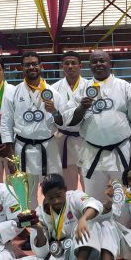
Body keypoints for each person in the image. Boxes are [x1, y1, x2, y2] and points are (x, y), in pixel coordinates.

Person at [0, 174, 105, 260]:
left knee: (91, 223)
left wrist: (83, 218)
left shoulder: (74, 197)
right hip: (54, 258)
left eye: (59, 195)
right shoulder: (39, 213)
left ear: (65, 190)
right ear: (44, 197)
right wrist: (38, 229)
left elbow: (96, 204)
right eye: (50, 198)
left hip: (77, 254)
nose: (55, 201)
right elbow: (41, 253)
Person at [64, 50, 131, 201]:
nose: (99, 64)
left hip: (120, 152)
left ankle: (124, 225)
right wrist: (81, 108)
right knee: (94, 200)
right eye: (94, 62)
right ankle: (96, 225)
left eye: (102, 61)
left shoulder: (125, 87)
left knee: (124, 199)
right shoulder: (82, 89)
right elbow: (70, 121)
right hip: (92, 153)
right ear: (89, 66)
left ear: (110, 63)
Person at [1, 52, 65, 208]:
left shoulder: (53, 93)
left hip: (48, 148)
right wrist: (10, 156)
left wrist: (55, 112)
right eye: (27, 64)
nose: (32, 67)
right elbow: (6, 123)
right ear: (22, 68)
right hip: (22, 149)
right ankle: (32, 229)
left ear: (41, 66)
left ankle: (52, 227)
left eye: (35, 64)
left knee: (52, 191)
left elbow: (63, 123)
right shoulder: (13, 93)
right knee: (25, 195)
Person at [52, 51, 88, 191]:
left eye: (73, 63)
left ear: (80, 65)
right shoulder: (54, 88)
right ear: (62, 66)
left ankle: (91, 210)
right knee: (67, 184)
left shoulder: (90, 86)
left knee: (89, 181)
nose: (70, 66)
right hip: (62, 139)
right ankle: (70, 212)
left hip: (85, 137)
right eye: (67, 63)